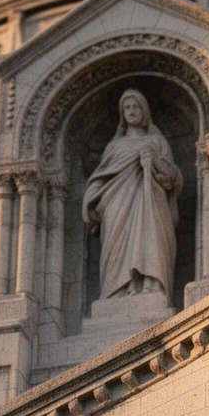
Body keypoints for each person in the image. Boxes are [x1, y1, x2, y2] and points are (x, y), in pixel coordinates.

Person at [83, 89, 181, 299]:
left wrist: (154, 163)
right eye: (126, 107)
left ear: (144, 111)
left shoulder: (156, 142)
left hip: (150, 201)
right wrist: (91, 202)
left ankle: (151, 286)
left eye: (136, 106)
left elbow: (173, 178)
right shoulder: (114, 146)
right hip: (116, 205)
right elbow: (100, 179)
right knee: (117, 249)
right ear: (122, 113)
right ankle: (116, 290)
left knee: (149, 239)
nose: (131, 111)